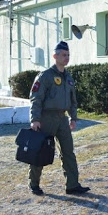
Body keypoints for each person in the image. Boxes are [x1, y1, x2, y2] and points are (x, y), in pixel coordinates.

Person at [27, 41, 90, 196]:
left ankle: (72, 185)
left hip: (62, 119)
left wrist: (73, 118)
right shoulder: (46, 76)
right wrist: (35, 119)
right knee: (39, 151)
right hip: (46, 118)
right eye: (63, 55)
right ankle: (34, 184)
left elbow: (72, 100)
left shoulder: (68, 77)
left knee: (68, 152)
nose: (66, 58)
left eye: (68, 55)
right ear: (55, 56)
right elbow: (36, 98)